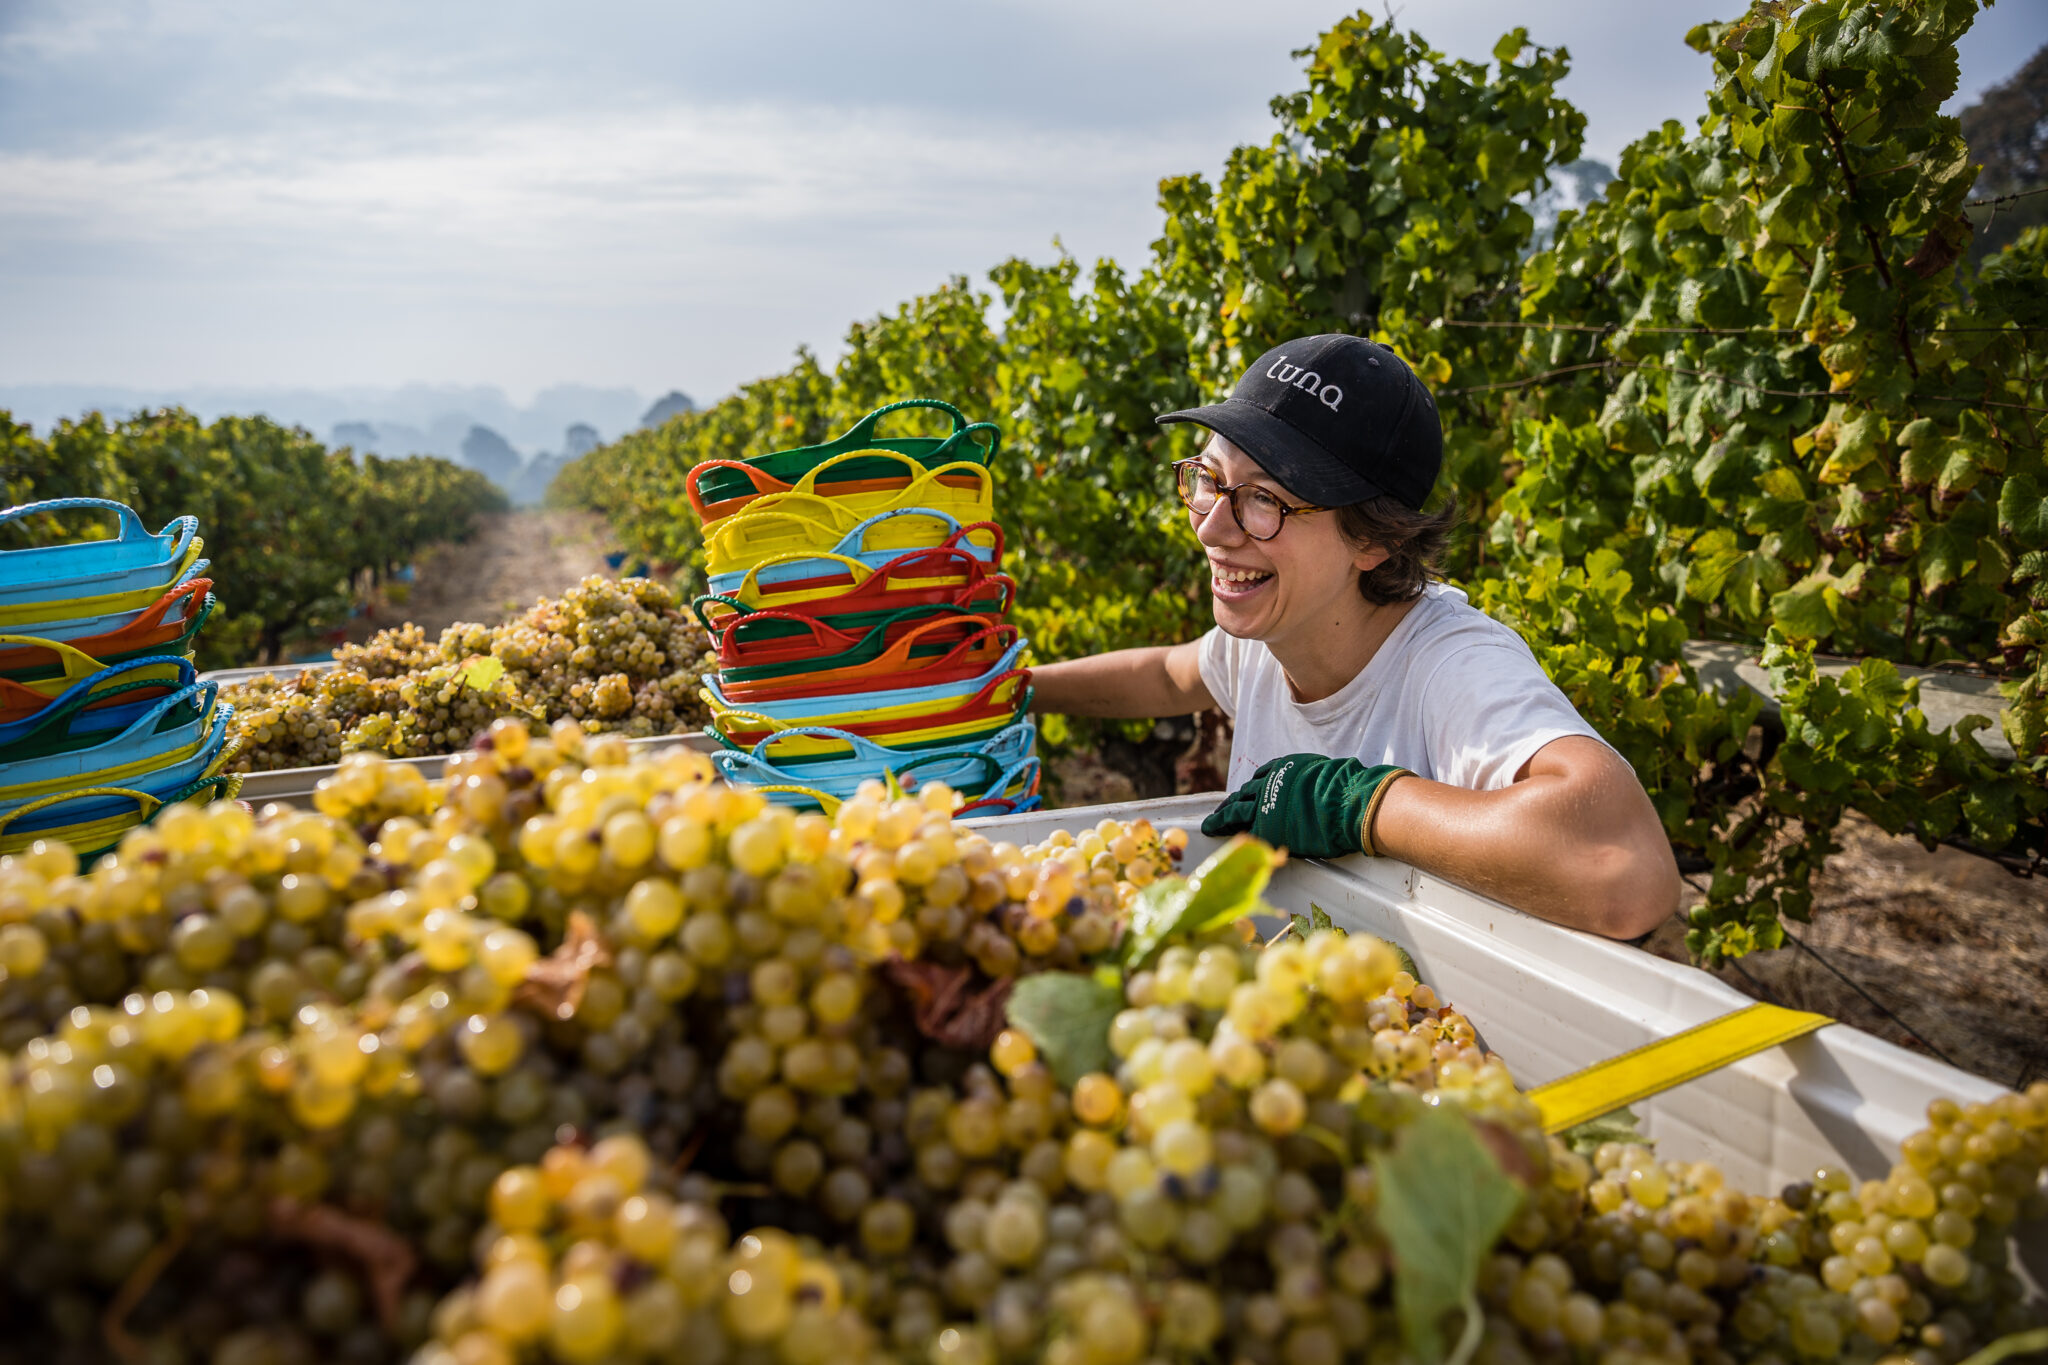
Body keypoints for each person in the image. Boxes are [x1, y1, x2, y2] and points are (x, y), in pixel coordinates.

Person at [1028, 333, 1678, 940]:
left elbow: (1626, 870)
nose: (1211, 529)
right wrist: (1017, 692)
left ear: (1375, 538)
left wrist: (1358, 802)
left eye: (1264, 501)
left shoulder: (1453, 667)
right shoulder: (1264, 636)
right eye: (1211, 480)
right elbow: (1170, 674)